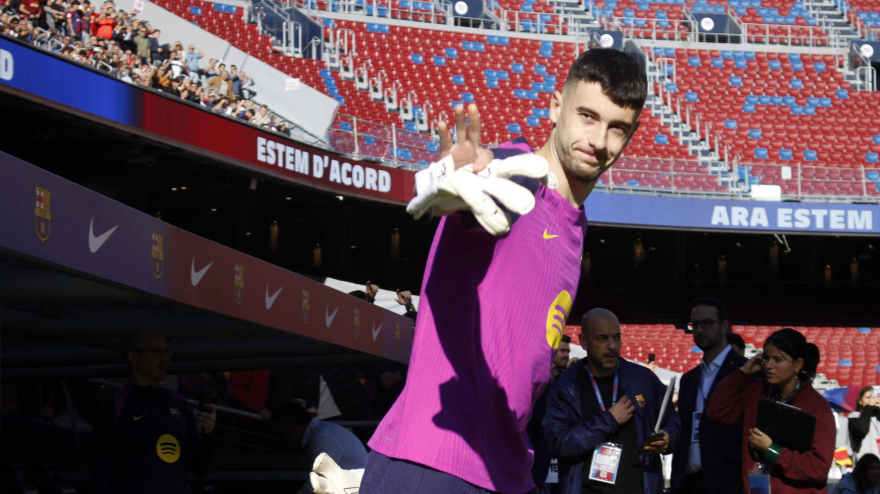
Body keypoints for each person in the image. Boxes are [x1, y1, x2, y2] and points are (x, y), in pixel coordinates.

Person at [360, 48, 647, 494]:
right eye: (587, 116)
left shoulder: (575, 222)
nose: (598, 140)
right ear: (555, 107)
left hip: (506, 468)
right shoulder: (514, 175)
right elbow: (475, 186)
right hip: (436, 459)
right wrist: (456, 181)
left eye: (617, 128)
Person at [543, 308, 680, 494]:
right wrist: (609, 420)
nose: (612, 346)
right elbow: (557, 442)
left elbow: (673, 421)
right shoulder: (565, 386)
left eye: (617, 337)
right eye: (602, 338)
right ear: (583, 341)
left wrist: (668, 437)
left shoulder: (644, 380)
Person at [707, 328, 835, 493]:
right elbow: (717, 410)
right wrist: (742, 372)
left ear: (798, 364)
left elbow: (818, 468)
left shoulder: (818, 407)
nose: (768, 365)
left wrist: (772, 450)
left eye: (778, 360)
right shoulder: (755, 392)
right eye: (766, 358)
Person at [93, 328, 216, 494]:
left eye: (167, 352)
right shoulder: (116, 406)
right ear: (133, 357)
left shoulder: (179, 403)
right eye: (157, 352)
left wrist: (208, 433)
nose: (164, 358)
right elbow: (102, 469)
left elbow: (200, 469)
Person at [671, 297, 749, 494]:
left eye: (706, 323)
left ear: (724, 325)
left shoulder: (747, 372)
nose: (699, 330)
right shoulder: (688, 380)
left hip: (728, 484)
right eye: (694, 324)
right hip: (688, 484)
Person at [273, 401, 367, 493]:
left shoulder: (322, 437)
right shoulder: (322, 433)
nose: (281, 439)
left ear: (293, 427)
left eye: (281, 433)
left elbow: (318, 485)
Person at [849, 386, 880, 462]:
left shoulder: (878, 417)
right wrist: (869, 406)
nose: (872, 400)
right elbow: (862, 429)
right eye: (868, 398)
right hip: (863, 461)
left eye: (874, 397)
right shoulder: (854, 415)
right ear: (860, 401)